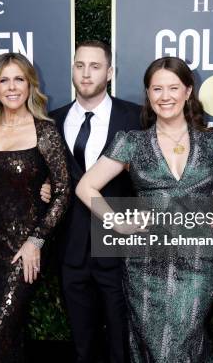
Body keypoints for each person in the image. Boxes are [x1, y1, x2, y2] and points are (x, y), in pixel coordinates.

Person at [76, 56, 213, 362]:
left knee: (181, 345)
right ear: (148, 95)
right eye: (157, 89)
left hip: (197, 264)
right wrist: (118, 222)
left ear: (188, 91)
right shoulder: (131, 142)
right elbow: (85, 187)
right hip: (144, 267)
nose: (166, 97)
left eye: (174, 88)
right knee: (153, 347)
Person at [0, 52, 70, 363]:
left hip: (25, 247)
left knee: (2, 328)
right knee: (0, 332)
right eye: (3, 80)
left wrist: (37, 240)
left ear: (29, 85)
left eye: (18, 79)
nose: (11, 87)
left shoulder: (44, 131)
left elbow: (62, 191)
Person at [49, 40, 141, 363]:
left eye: (95, 66)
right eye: (80, 65)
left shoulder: (135, 117)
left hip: (119, 249)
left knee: (122, 342)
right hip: (70, 248)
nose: (86, 74)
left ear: (110, 72)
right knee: (81, 343)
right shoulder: (51, 120)